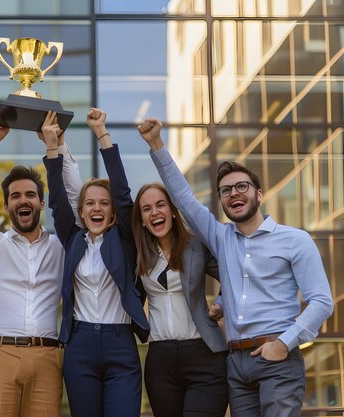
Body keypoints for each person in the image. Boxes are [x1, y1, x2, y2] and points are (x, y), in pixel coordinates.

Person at [138, 118, 334, 417]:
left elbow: (322, 301)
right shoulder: (221, 238)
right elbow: (184, 198)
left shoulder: (295, 240)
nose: (234, 194)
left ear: (258, 194)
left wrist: (285, 343)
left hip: (277, 358)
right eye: (226, 190)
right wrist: (156, 144)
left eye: (242, 186)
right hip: (236, 363)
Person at [0, 117, 82, 417]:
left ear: (42, 204)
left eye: (30, 195)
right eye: (15, 196)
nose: (23, 200)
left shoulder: (61, 247)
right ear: (6, 206)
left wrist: (59, 146)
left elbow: (77, 202)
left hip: (47, 357)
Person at [42, 109, 149, 417]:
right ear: (83, 211)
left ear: (113, 212)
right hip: (80, 346)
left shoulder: (124, 239)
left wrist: (102, 133)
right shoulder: (73, 238)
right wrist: (52, 148)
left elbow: (123, 191)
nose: (97, 208)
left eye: (104, 203)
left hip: (121, 346)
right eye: (90, 203)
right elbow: (58, 200)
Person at [132, 182, 228, 416]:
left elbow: (233, 275)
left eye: (160, 205)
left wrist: (222, 303)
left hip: (203, 354)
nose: (154, 212)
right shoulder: (138, 253)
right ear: (142, 219)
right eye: (146, 209)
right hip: (160, 361)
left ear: (173, 211)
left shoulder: (196, 244)